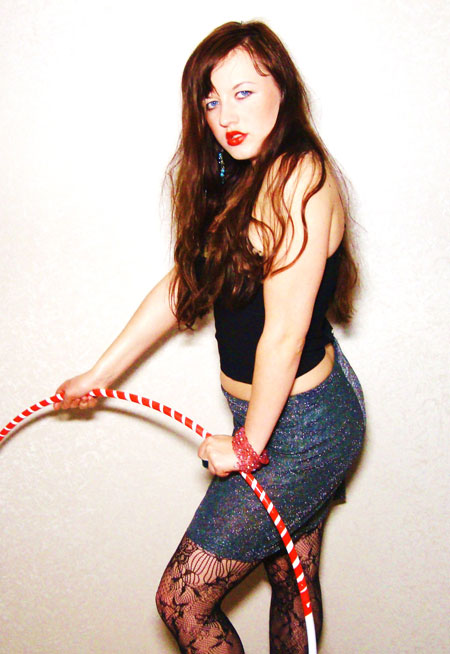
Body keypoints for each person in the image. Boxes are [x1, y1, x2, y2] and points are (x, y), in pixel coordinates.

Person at [54, 20, 365, 654]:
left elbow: (283, 335)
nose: (226, 115)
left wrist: (247, 446)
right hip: (270, 413)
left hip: (307, 427)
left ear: (283, 90)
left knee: (182, 597)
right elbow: (182, 286)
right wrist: (99, 374)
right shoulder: (235, 174)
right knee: (291, 576)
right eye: (212, 99)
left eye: (244, 92)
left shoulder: (298, 176)